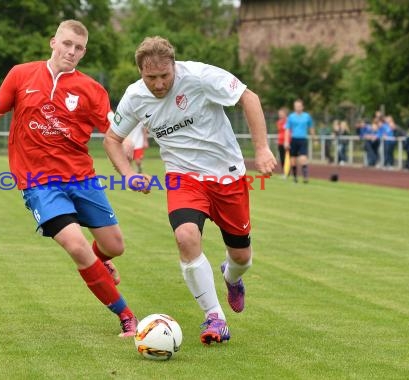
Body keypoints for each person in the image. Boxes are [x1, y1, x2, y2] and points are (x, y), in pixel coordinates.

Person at [0, 20, 137, 337]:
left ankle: (102, 262)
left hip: (81, 179)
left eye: (79, 48)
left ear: (84, 52)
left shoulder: (92, 90)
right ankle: (126, 315)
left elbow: (116, 132)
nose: (71, 51)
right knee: (76, 245)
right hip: (38, 182)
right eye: (67, 43)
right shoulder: (20, 74)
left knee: (115, 245)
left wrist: (132, 153)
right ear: (53, 42)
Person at [103, 36, 277, 345]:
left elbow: (249, 98)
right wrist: (128, 174)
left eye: (164, 76)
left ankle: (231, 277)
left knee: (242, 257)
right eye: (150, 77)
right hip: (183, 178)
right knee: (185, 236)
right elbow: (112, 139)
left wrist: (262, 149)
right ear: (141, 72)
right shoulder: (134, 97)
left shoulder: (199, 76)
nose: (158, 84)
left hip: (228, 175)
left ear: (174, 66)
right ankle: (214, 317)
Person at [284, 99, 314, 183]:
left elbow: (311, 127)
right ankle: (295, 177)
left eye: (299, 106)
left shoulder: (307, 116)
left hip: (302, 139)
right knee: (293, 159)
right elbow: (287, 129)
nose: (297, 108)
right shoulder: (291, 117)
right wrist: (286, 141)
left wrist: (314, 137)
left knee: (303, 158)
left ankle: (305, 177)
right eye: (296, 106)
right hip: (293, 139)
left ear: (302, 107)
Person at [275, 107, 289, 175]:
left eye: (281, 113)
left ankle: (288, 171)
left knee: (287, 157)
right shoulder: (278, 122)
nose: (280, 114)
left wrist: (288, 141)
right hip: (280, 142)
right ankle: (284, 171)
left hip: (286, 142)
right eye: (279, 113)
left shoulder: (288, 122)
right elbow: (279, 132)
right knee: (281, 157)